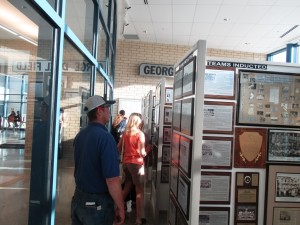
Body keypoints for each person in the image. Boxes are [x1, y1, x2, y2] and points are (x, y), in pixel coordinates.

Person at [71, 95, 125, 225]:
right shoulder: (106, 139)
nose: (109, 111)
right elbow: (112, 179)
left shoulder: (80, 136)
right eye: (107, 108)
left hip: (78, 199)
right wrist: (121, 207)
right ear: (99, 111)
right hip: (97, 206)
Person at [118, 113, 147, 225]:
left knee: (127, 186)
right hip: (136, 165)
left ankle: (117, 209)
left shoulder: (125, 133)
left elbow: (118, 147)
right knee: (139, 191)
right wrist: (148, 149)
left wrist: (125, 155)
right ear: (137, 122)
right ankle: (138, 219)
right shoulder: (140, 134)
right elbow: (142, 153)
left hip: (126, 163)